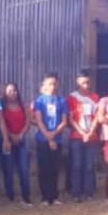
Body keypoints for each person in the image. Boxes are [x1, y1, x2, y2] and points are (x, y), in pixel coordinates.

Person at [33, 73, 68, 206]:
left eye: (54, 84)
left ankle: (54, 195)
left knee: (54, 168)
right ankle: (45, 196)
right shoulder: (39, 101)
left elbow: (64, 121)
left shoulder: (62, 101)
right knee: (44, 168)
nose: (52, 86)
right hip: (42, 139)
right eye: (50, 84)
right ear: (45, 85)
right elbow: (39, 120)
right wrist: (48, 136)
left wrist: (54, 134)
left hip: (57, 139)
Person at [67, 70, 100, 203]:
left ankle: (89, 192)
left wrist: (91, 132)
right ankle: (76, 192)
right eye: (83, 83)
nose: (85, 85)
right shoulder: (72, 98)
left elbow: (97, 117)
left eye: (87, 82)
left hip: (91, 137)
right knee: (76, 165)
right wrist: (82, 133)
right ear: (78, 83)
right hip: (76, 136)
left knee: (89, 165)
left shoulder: (95, 97)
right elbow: (70, 119)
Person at [0, 82, 32, 206]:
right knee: (9, 169)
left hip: (21, 140)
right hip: (8, 141)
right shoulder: (2, 107)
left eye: (14, 90)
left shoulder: (24, 106)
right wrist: (10, 136)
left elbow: (28, 123)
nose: (12, 93)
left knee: (24, 168)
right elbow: (1, 123)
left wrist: (21, 135)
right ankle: (10, 195)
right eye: (9, 91)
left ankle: (26, 196)